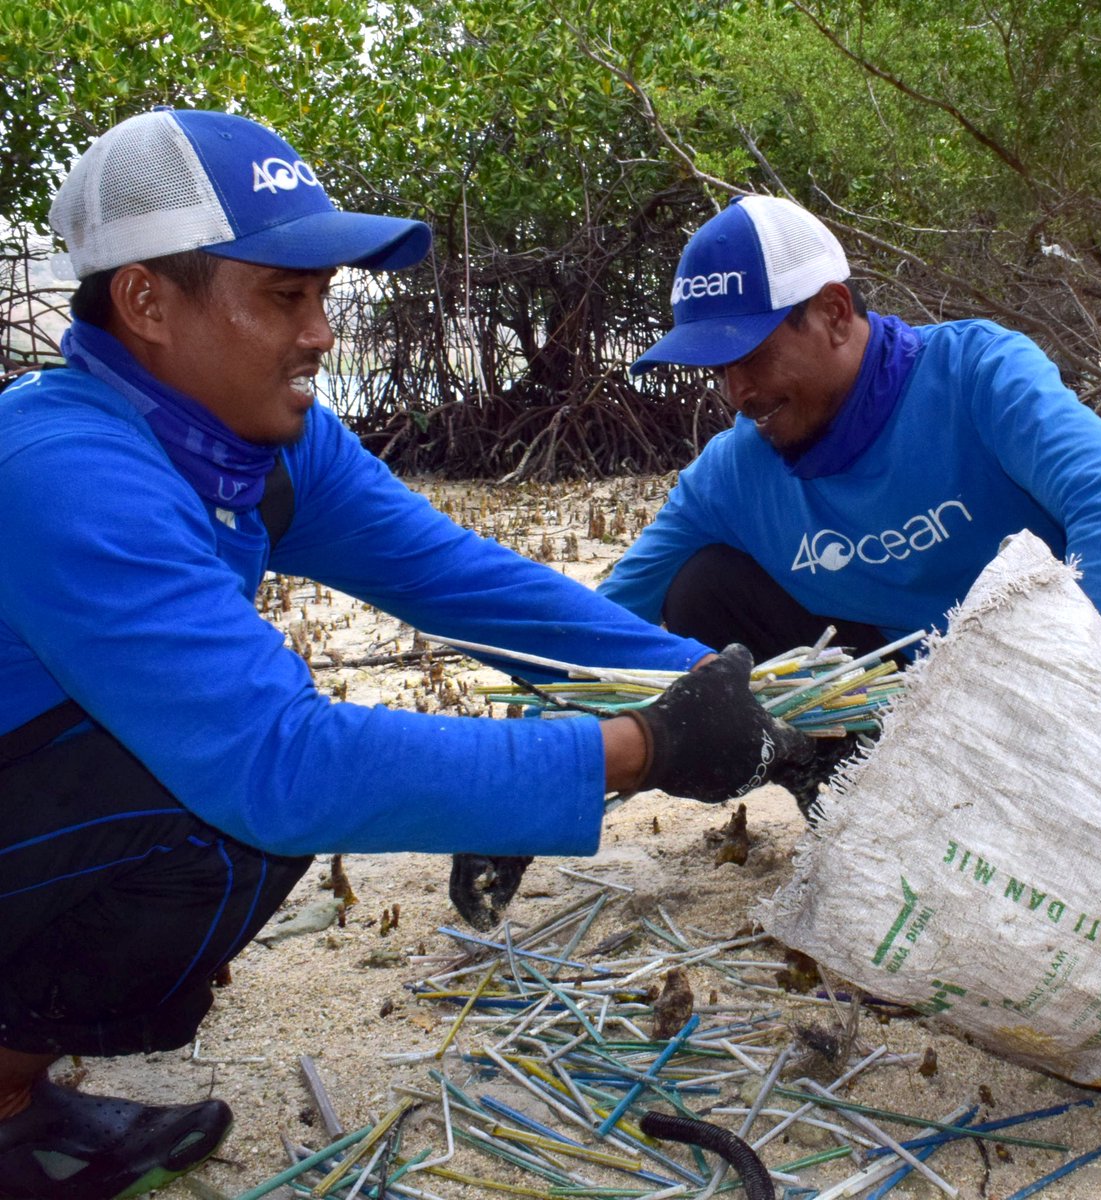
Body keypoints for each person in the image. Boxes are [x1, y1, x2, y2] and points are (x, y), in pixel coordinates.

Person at [0, 112, 812, 1200]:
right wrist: (640, 748)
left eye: (325, 296)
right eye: (284, 297)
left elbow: (472, 587)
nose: (323, 333)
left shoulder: (260, 443)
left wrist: (732, 692)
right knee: (209, 795)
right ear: (147, 301)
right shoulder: (63, 467)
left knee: (215, 778)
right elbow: (280, 767)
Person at [599, 194, 1101, 666]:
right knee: (703, 586)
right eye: (717, 368)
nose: (736, 393)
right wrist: (531, 734)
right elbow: (601, 618)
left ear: (833, 314)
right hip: (907, 715)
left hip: (1062, 666)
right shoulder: (733, 471)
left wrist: (1075, 716)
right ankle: (842, 780)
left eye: (750, 355)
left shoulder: (977, 374)